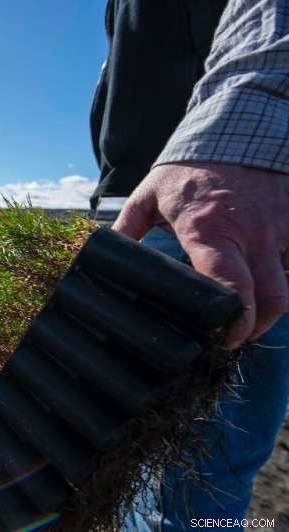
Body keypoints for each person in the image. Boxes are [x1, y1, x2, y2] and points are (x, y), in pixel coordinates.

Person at [91, 0, 289, 529]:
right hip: (147, 203)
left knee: (202, 462)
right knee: (118, 441)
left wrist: (253, 112)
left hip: (215, 201)